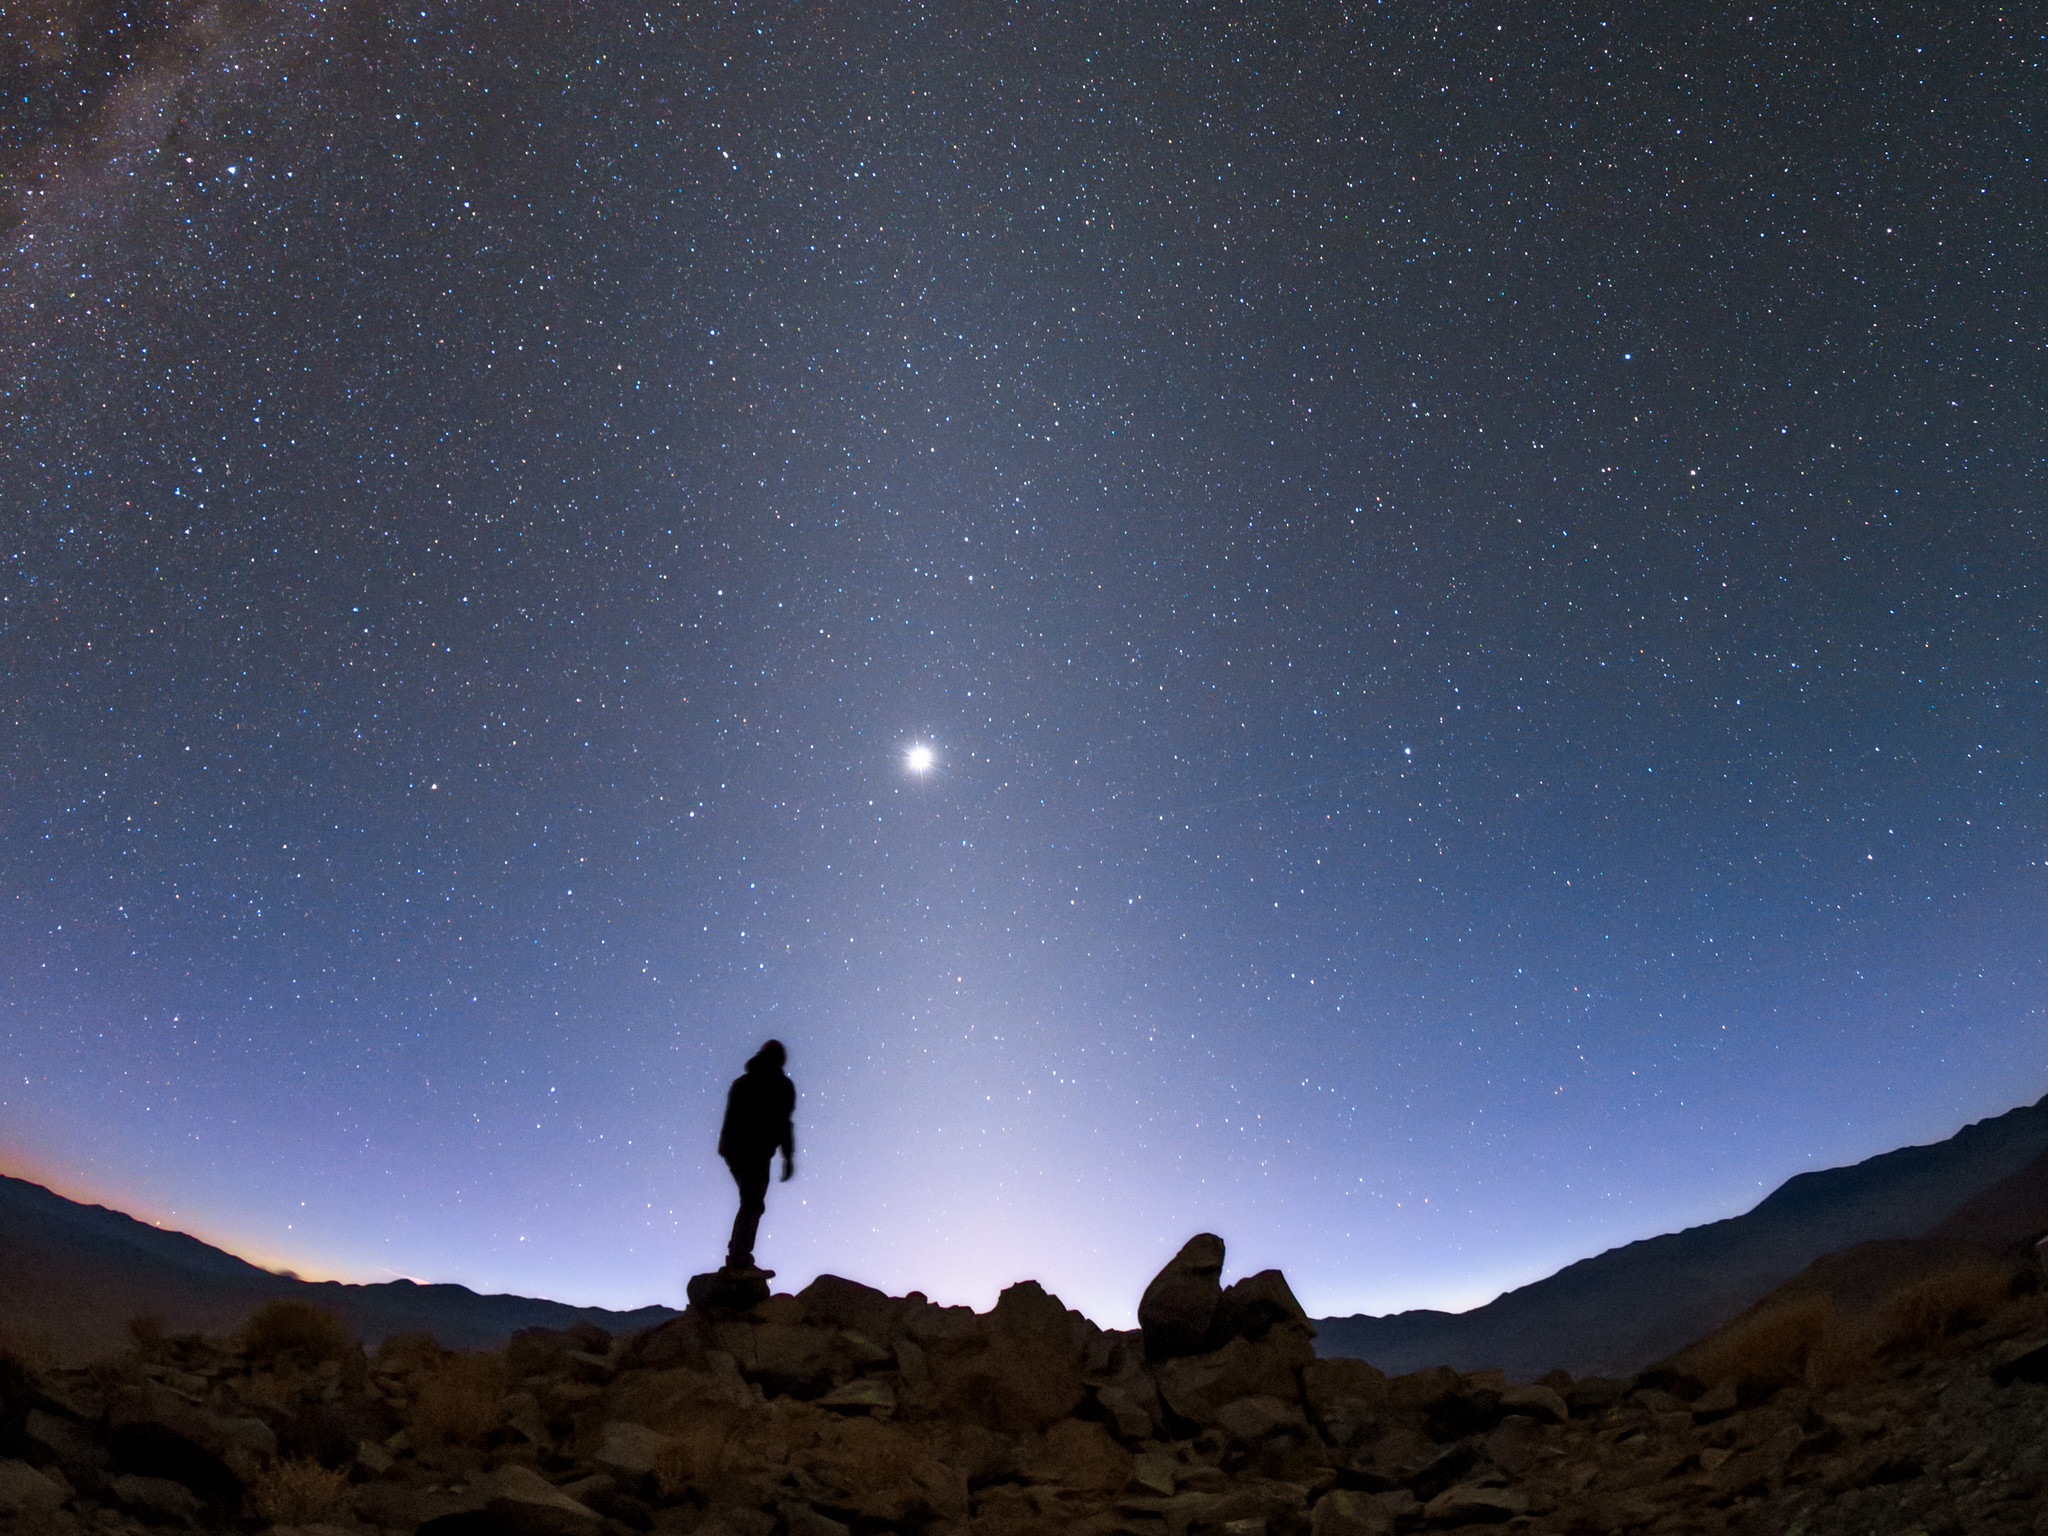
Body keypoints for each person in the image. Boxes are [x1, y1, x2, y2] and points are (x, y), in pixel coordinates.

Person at [718, 1039, 795, 1277]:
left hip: (734, 1149)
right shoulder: (781, 1084)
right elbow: (783, 1123)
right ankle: (739, 1257)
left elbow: (731, 1117)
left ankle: (738, 1255)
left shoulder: (742, 1082)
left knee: (750, 1201)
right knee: (752, 1202)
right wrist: (787, 1157)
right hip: (755, 1151)